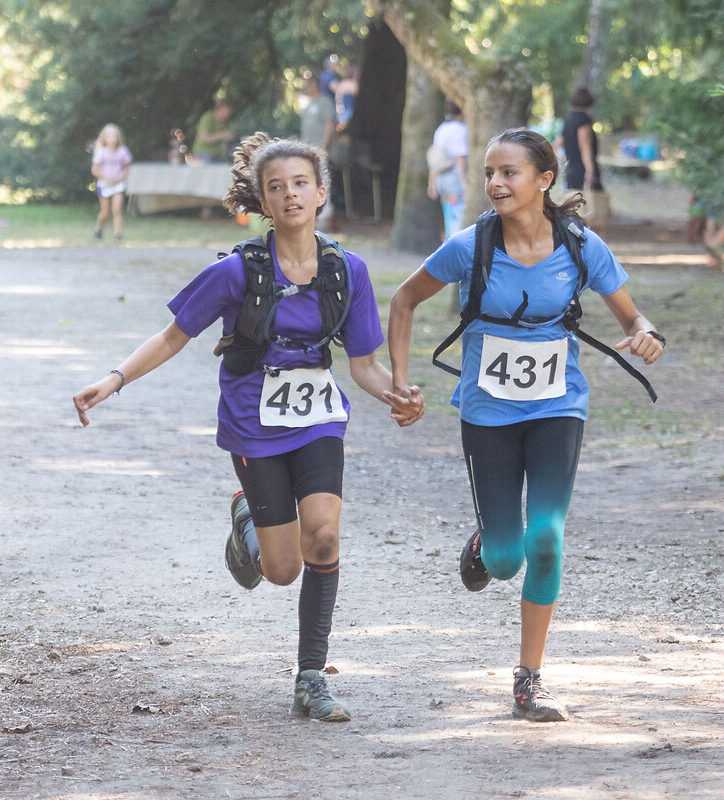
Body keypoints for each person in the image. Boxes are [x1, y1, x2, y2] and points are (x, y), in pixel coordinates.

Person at [73, 133, 424, 722]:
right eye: (276, 187)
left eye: (300, 184)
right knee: (280, 570)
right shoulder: (237, 271)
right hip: (251, 419)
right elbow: (172, 336)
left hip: (316, 418)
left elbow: (362, 363)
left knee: (325, 537)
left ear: (320, 193)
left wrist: (398, 394)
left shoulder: (347, 271)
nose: (290, 195)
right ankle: (247, 519)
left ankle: (311, 677)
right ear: (262, 200)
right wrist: (114, 380)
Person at [387, 128, 664, 723]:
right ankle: (490, 543)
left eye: (508, 172)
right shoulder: (470, 245)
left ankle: (529, 681)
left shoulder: (582, 247)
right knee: (509, 557)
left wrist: (644, 332)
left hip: (557, 405)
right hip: (486, 411)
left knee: (547, 536)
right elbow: (404, 300)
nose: (494, 183)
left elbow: (633, 312)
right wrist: (401, 381)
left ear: (544, 179)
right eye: (489, 172)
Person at [298, 76, 336, 231]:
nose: (304, 87)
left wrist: (324, 145)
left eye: (307, 85)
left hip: (318, 149)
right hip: (307, 150)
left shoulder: (324, 102)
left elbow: (329, 123)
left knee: (322, 181)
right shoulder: (308, 103)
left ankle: (324, 215)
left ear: (314, 85)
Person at [428, 101, 468, 241]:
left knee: (448, 213)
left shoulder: (441, 129)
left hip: (440, 178)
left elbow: (434, 158)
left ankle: (448, 242)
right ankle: (454, 246)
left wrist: (432, 183)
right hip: (454, 178)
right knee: (457, 215)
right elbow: (459, 158)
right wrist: (464, 184)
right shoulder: (461, 130)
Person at [91, 124, 133, 244]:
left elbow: (126, 168)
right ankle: (99, 229)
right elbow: (95, 170)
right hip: (104, 185)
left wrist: (119, 177)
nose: (112, 138)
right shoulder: (102, 153)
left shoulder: (123, 152)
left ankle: (118, 235)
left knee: (117, 209)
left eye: (115, 135)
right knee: (105, 212)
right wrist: (105, 178)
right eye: (109, 136)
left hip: (117, 184)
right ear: (104, 139)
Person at [558, 88, 602, 194]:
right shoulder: (583, 121)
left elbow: (558, 142)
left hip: (570, 169)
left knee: (571, 204)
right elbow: (585, 147)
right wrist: (590, 170)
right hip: (582, 170)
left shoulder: (569, 120)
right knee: (591, 207)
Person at [194, 98, 235, 163]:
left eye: (228, 113)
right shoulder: (208, 118)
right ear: (217, 109)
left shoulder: (225, 122)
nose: (226, 115)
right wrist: (221, 135)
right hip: (204, 154)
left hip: (218, 154)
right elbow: (203, 138)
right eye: (224, 112)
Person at [335, 66, 359, 130]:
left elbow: (338, 98)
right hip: (349, 110)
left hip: (341, 110)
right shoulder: (353, 84)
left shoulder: (342, 83)